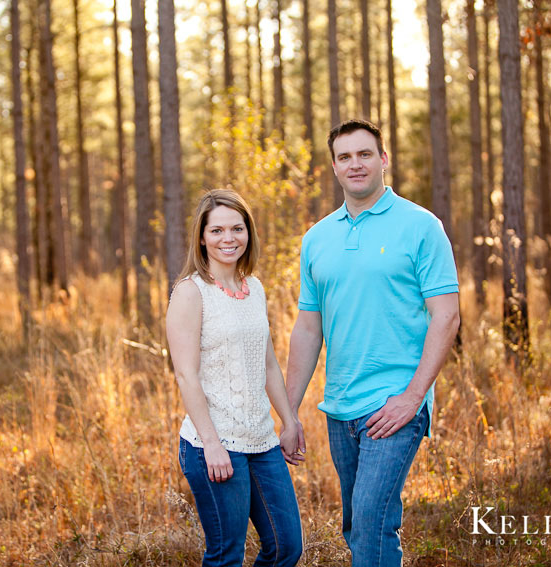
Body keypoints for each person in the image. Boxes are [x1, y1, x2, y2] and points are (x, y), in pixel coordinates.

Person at [283, 119, 460, 567]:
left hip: (395, 403)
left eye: (365, 154)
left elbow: (447, 315)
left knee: (370, 520)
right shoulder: (317, 238)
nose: (355, 164)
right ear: (335, 168)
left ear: (384, 160)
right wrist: (289, 412)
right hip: (340, 407)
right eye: (345, 157)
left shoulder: (421, 226)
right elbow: (308, 328)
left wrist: (413, 398)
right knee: (356, 523)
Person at [167, 189, 303, 567]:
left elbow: (268, 365)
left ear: (248, 233)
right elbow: (186, 375)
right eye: (217, 230)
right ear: (202, 237)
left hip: (262, 441)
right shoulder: (191, 292)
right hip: (214, 444)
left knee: (286, 546)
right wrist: (211, 444)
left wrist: (289, 421)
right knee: (227, 555)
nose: (228, 238)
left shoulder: (254, 288)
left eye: (237, 229)